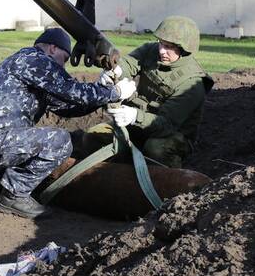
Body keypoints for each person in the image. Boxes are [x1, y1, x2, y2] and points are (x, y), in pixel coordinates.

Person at [0, 28, 135, 218]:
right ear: (52, 48)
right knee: (60, 141)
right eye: (64, 59)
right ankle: (14, 195)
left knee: (30, 139)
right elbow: (71, 90)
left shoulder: (29, 66)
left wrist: (103, 90)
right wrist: (115, 93)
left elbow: (69, 107)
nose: (64, 66)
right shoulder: (35, 60)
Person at [81, 16, 213, 168]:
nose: (162, 51)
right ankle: (120, 175)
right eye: (161, 43)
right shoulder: (150, 51)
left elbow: (167, 124)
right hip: (139, 123)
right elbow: (129, 64)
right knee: (93, 137)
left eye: (169, 46)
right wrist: (115, 72)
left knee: (155, 149)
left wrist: (134, 116)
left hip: (171, 134)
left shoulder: (193, 83)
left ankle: (166, 185)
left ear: (184, 49)